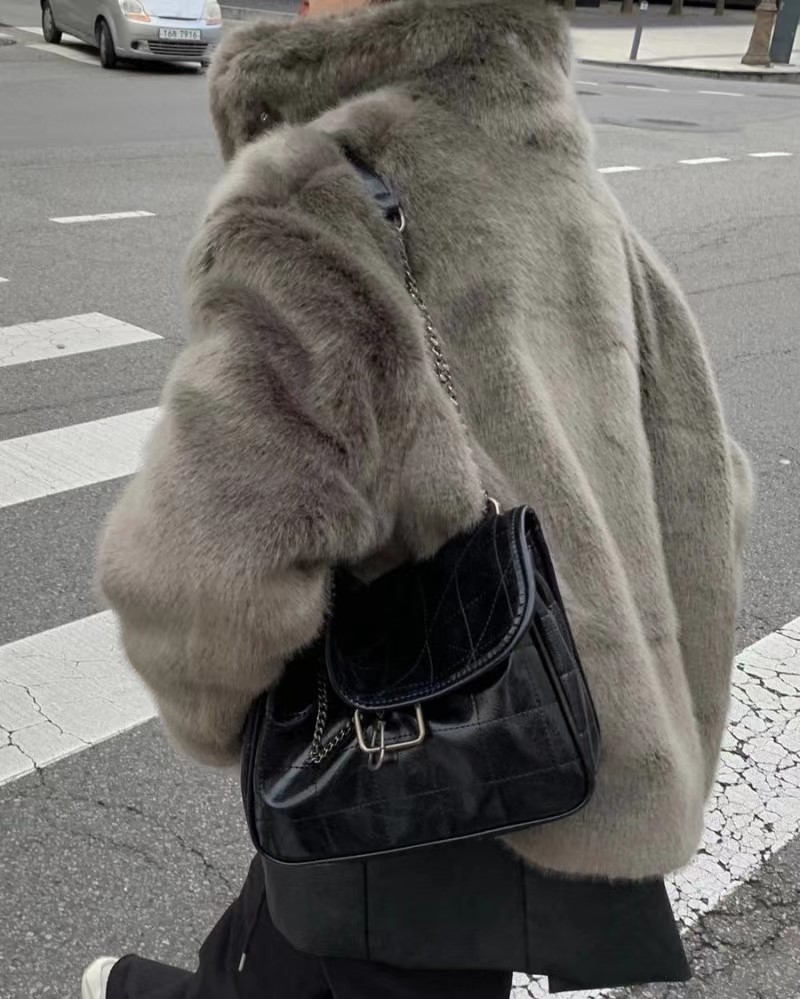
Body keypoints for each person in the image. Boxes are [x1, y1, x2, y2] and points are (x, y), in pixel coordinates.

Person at [85, 0, 753, 996]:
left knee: (338, 950)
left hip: (402, 769)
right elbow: (711, 484)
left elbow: (204, 580)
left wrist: (213, 713)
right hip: (554, 750)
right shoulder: (566, 178)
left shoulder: (319, 200)